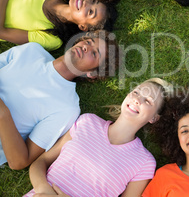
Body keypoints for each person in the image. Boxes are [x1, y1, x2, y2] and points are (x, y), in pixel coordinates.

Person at [25, 78, 171, 196]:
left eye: (148, 101)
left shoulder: (144, 162)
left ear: (154, 118)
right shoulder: (87, 121)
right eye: (137, 92)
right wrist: (44, 190)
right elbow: (42, 161)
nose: (137, 100)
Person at [0, 30, 119, 170]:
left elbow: (19, 161)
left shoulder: (67, 108)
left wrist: (3, 114)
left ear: (92, 73)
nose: (86, 47)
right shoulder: (32, 50)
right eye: (88, 42)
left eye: (94, 53)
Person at [0, 0, 117, 51]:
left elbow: (2, 32)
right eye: (92, 1)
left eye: (91, 12)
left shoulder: (52, 38)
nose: (86, 3)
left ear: (83, 27)